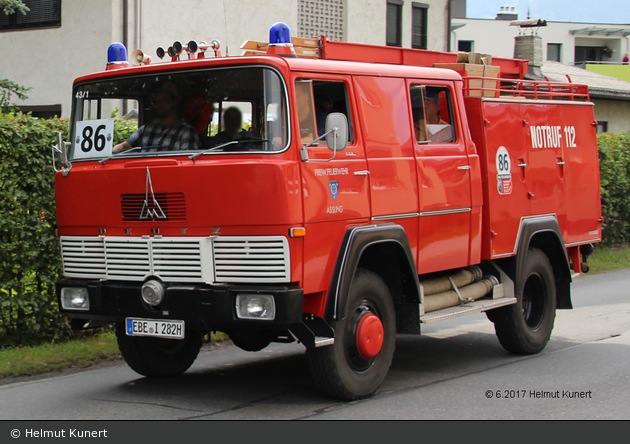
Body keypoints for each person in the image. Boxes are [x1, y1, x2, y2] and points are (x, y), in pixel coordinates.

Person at [113, 81, 200, 153]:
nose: (159, 104)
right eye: (157, 100)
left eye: (164, 100)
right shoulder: (146, 129)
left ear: (175, 102)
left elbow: (188, 164)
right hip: (144, 173)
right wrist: (108, 154)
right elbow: (124, 146)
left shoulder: (186, 132)